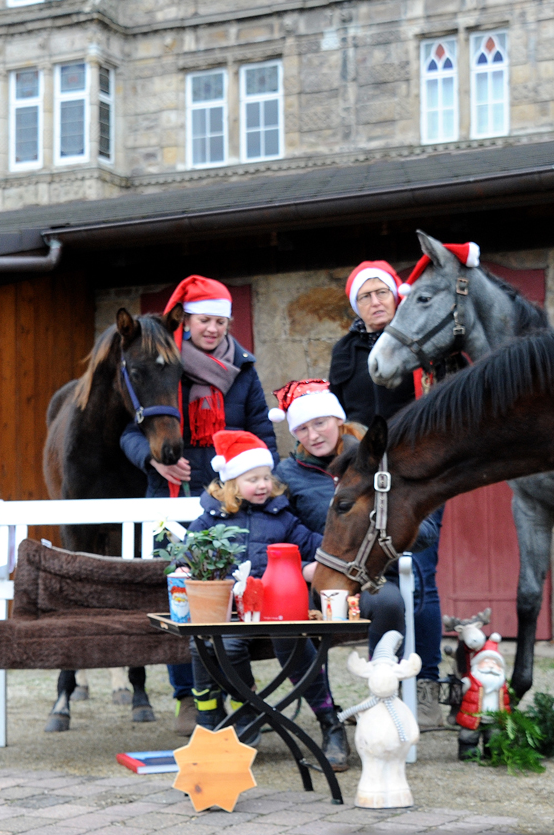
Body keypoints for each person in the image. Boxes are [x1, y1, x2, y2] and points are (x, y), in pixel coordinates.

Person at [120, 275, 278, 736]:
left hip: (228, 502)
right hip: (172, 497)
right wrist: (152, 459)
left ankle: (235, 691)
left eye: (220, 321)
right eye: (204, 319)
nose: (212, 329)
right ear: (186, 321)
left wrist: (264, 478)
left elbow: (261, 433)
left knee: (230, 594)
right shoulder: (162, 362)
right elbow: (129, 432)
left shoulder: (243, 371)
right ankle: (188, 696)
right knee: (181, 596)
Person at [185, 430, 350, 770]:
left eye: (265, 478)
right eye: (252, 479)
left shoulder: (283, 518)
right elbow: (188, 554)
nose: (262, 485)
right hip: (230, 610)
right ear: (230, 483)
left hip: (279, 609)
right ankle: (247, 705)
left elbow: (310, 548)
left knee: (296, 646)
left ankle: (329, 720)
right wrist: (187, 568)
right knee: (221, 645)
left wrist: (317, 566)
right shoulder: (210, 520)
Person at [328, 261, 446, 731]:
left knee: (422, 573)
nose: (375, 302)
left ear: (398, 295)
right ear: (356, 306)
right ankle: (383, 683)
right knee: (374, 582)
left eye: (382, 293)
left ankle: (431, 683)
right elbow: (340, 416)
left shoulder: (426, 347)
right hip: (365, 478)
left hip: (419, 473)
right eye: (365, 297)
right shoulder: (346, 351)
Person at [271, 379, 435, 661]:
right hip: (315, 575)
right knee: (283, 612)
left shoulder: (378, 462)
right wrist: (304, 568)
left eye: (320, 423)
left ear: (338, 419)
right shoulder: (287, 473)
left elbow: (427, 531)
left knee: (388, 602)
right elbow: (277, 528)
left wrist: (381, 525)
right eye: (302, 429)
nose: (312, 435)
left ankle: (382, 684)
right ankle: (322, 704)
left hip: (370, 577)